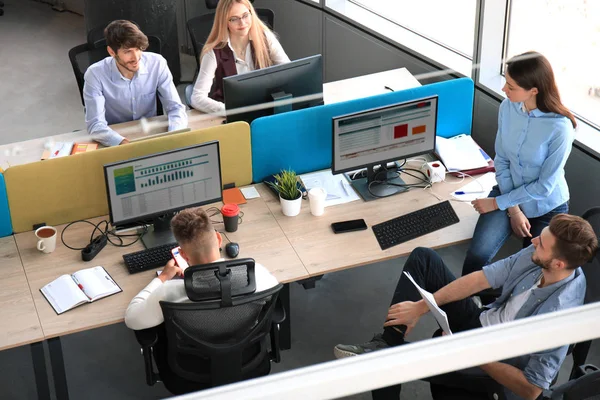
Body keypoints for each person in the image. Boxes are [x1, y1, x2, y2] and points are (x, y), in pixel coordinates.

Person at [334, 214, 598, 400]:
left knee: (389, 361)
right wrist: (423, 307)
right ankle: (387, 343)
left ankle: (383, 355)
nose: (533, 242)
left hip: (493, 361)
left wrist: (467, 350)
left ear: (558, 265)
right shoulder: (538, 258)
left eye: (541, 243)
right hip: (483, 321)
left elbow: (532, 389)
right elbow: (481, 279)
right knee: (424, 258)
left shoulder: (558, 318)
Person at [462, 51, 577, 277]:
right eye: (506, 82)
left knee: (529, 270)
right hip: (508, 192)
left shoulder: (560, 127)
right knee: (477, 255)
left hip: (546, 207)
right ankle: (459, 307)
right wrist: (512, 210)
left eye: (511, 86)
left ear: (534, 90)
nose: (504, 89)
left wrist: (498, 204)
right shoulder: (507, 108)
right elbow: (502, 159)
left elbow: (545, 186)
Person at [124, 206, 278, 330]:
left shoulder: (170, 292)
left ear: (183, 255)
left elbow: (132, 319)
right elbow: (273, 291)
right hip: (246, 353)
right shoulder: (254, 274)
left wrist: (162, 278)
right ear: (218, 239)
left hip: (194, 361)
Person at [83, 20, 188, 147]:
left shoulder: (157, 63)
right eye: (128, 51)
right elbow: (95, 124)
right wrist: (124, 143)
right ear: (111, 52)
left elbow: (176, 108)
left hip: (150, 133)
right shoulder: (95, 74)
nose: (136, 57)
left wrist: (174, 136)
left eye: (138, 49)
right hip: (115, 138)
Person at [190, 0, 290, 114]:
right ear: (224, 22)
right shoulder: (213, 53)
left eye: (245, 16)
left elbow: (289, 72)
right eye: (234, 19)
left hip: (264, 110)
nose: (242, 23)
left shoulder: (265, 38)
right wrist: (229, 111)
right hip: (232, 117)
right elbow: (197, 98)